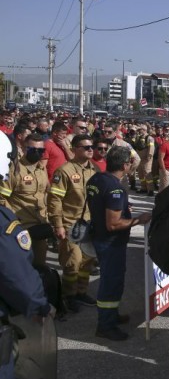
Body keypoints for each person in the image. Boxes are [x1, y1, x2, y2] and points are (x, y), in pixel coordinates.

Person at [0, 130, 52, 379]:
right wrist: (38, 306)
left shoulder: (42, 170)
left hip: (38, 225)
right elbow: (16, 275)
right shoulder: (3, 224)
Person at [86, 146, 152, 341]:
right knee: (111, 283)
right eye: (131, 163)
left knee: (110, 280)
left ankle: (112, 315)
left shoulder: (96, 179)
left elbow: (101, 205)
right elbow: (113, 224)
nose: (132, 166)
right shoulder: (115, 188)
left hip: (99, 237)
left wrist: (123, 207)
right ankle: (105, 325)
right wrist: (139, 219)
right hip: (111, 242)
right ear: (125, 165)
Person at [48, 134, 98, 313]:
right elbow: (55, 200)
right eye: (86, 147)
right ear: (76, 149)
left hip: (90, 224)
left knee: (87, 262)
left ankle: (81, 292)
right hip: (71, 224)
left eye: (91, 147)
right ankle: (68, 296)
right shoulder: (64, 171)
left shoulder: (94, 169)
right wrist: (58, 225)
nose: (91, 150)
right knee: (73, 262)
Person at [0, 133, 50, 266]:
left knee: (40, 265)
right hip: (22, 227)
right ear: (24, 148)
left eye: (41, 150)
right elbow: (2, 198)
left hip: (41, 223)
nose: (37, 153)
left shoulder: (41, 168)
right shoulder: (14, 169)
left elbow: (45, 193)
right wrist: (14, 220)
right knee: (22, 266)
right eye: (33, 150)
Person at [134, 125, 156, 196]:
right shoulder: (139, 137)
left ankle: (150, 189)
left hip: (146, 159)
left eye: (140, 130)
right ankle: (143, 187)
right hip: (139, 159)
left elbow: (151, 148)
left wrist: (149, 156)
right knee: (141, 174)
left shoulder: (149, 138)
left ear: (144, 130)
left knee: (147, 173)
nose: (139, 131)